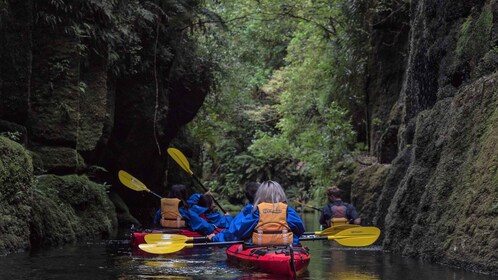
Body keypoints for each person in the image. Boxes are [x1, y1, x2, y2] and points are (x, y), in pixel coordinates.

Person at [207, 180, 305, 246]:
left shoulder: (257, 211)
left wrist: (215, 238)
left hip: (260, 248)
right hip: (287, 248)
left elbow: (237, 231)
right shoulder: (288, 210)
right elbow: (300, 230)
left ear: (260, 195)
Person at [153, 185, 218, 235]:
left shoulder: (161, 211)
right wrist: (212, 226)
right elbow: (205, 227)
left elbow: (155, 222)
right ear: (184, 196)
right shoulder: (186, 213)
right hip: (181, 234)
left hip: (165, 232)